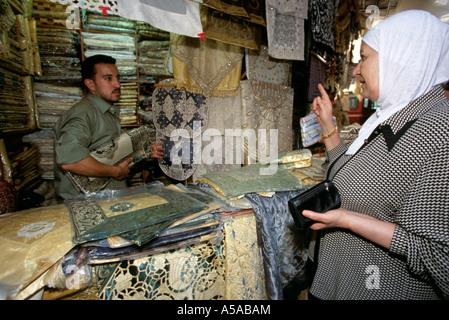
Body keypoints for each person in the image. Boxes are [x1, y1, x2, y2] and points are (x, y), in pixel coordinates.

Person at [304, 10, 449, 299]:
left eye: (365, 58)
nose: (356, 70)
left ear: (401, 58)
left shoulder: (438, 132)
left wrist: (347, 220)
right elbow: (354, 175)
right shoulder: (393, 114)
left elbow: (439, 258)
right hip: (338, 280)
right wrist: (329, 127)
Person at [53, 54, 163, 200]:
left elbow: (106, 154)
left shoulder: (104, 112)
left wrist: (143, 152)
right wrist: (115, 172)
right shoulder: (83, 114)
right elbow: (71, 161)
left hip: (105, 200)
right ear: (90, 84)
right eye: (108, 78)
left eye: (118, 78)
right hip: (88, 205)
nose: (117, 85)